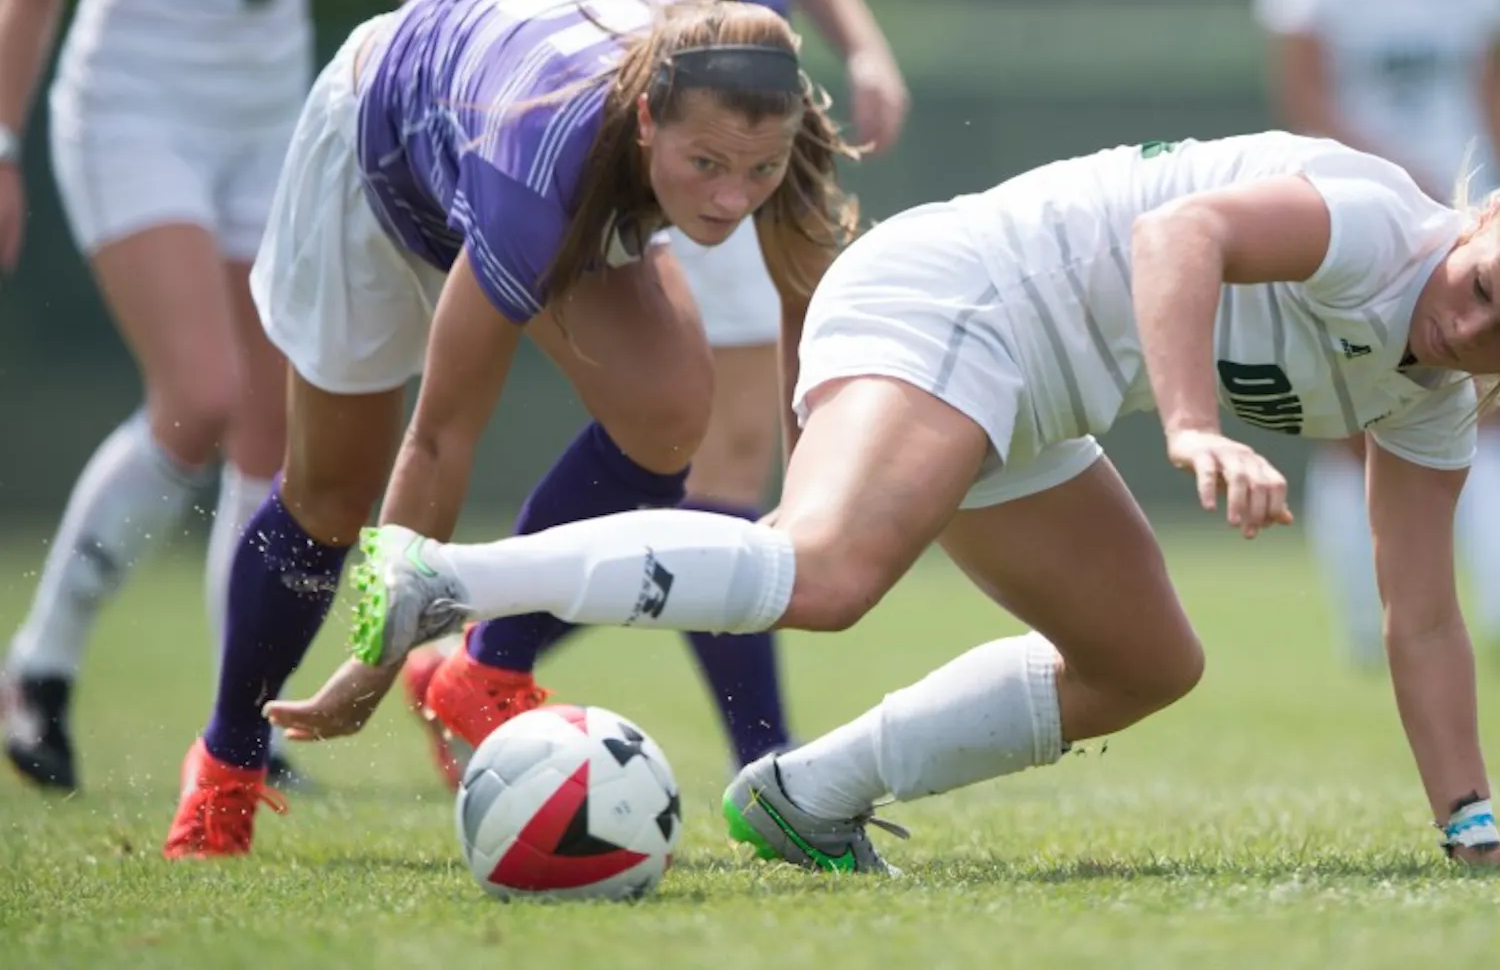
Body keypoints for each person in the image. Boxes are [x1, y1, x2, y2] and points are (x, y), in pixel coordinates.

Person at [271, 130, 1500, 872]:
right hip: (962, 296)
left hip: (1035, 396)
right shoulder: (1381, 224)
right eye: (1492, 282)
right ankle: (454, 578)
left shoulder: (1437, 398)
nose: (1475, 322)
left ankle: (808, 797)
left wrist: (1470, 821)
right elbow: (1181, 236)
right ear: (1483, 223)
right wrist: (1188, 427)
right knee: (827, 573)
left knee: (1144, 661)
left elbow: (1423, 619)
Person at [158, 0, 858, 857]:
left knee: (669, 413)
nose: (731, 197)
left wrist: (808, 498)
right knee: (332, 497)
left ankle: (484, 667)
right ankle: (226, 762)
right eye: (707, 165)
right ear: (648, 119)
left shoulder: (771, 121)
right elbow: (443, 436)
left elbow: (810, 314)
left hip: (526, 135)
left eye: (757, 169)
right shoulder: (542, 169)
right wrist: (377, 662)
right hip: (381, 153)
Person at [398, 0, 910, 790]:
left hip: (752, 150)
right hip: (675, 159)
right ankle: (763, 752)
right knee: (718, 476)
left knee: (721, 477)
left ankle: (477, 655)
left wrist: (860, 39)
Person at [0, 0, 471, 794]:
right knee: (200, 398)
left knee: (278, 430)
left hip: (273, 123)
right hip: (135, 113)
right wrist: (2, 144)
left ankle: (243, 724)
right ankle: (37, 667)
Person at [1253, 0, 1500, 667]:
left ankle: (1489, 607)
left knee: (1483, 403)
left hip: (1465, 215)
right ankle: (1369, 626)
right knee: (1349, 414)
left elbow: (1491, 90)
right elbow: (1304, 94)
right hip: (1364, 210)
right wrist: (1391, 172)